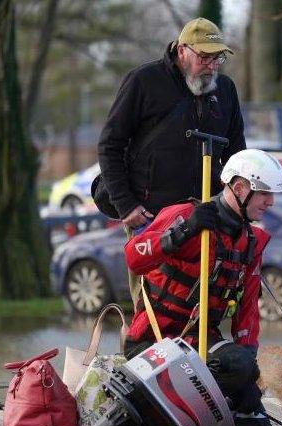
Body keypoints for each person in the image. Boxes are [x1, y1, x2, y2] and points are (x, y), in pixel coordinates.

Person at [122, 149, 282, 426]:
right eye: (264, 194)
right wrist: (183, 233)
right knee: (236, 367)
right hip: (154, 343)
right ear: (239, 188)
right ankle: (173, 425)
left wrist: (250, 359)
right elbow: (134, 258)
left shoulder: (252, 242)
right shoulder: (184, 216)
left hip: (201, 345)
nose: (270, 202)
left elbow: (248, 308)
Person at [98, 17, 246, 302]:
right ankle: (136, 346)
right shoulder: (143, 81)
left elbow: (236, 155)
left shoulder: (225, 90)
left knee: (194, 305)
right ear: (182, 51)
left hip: (205, 216)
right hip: (151, 217)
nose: (212, 65)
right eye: (204, 57)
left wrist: (238, 205)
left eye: (218, 58)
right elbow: (109, 145)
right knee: (149, 305)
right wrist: (127, 206)